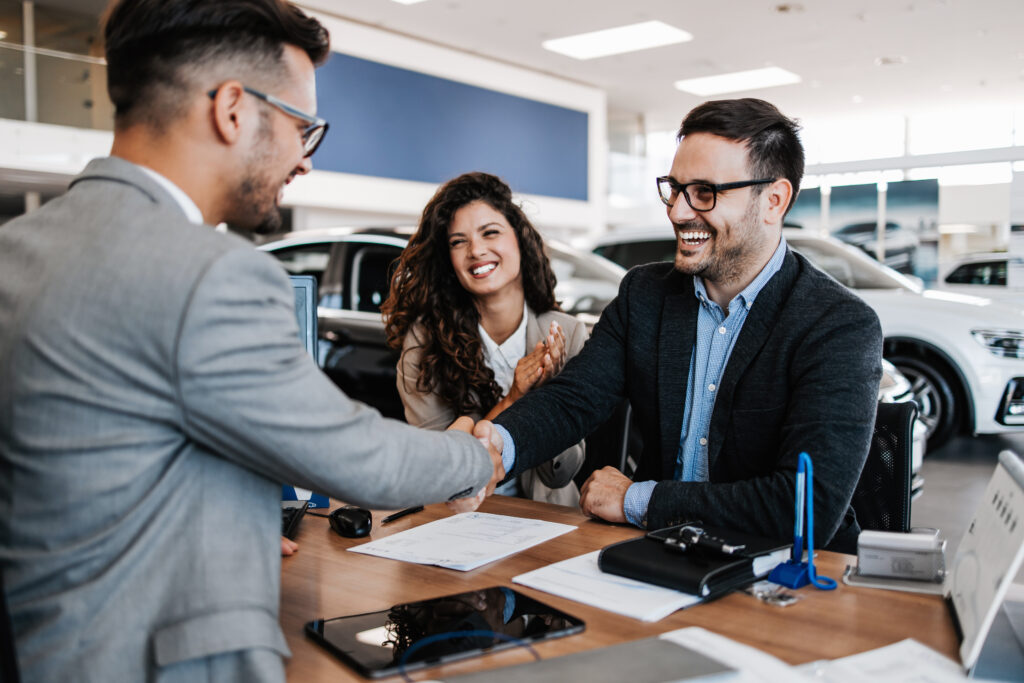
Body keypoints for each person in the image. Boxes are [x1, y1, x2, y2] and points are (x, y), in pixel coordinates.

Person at [0, 1, 502, 681]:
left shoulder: (16, 249)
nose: (305, 161)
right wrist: (470, 456)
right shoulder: (210, 272)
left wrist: (226, 520)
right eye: (304, 129)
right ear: (234, 109)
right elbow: (356, 456)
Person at [481, 98, 883, 553]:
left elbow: (804, 508)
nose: (677, 212)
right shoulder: (645, 295)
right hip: (661, 555)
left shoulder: (838, 325)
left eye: (705, 193)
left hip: (786, 574)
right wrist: (495, 446)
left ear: (774, 200)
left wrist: (637, 499)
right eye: (674, 188)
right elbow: (576, 399)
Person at [382, 172, 587, 505]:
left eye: (490, 232)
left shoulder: (567, 334)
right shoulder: (424, 342)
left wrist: (547, 396)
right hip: (456, 522)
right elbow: (438, 470)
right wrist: (515, 398)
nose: (476, 250)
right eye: (458, 241)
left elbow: (560, 473)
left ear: (520, 240)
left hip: (549, 520)